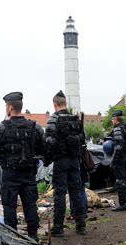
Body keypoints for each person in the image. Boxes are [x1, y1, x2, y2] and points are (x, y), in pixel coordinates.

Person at [0, 92, 45, 241]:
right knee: (30, 205)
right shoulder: (35, 127)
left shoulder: (1, 128)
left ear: (10, 107)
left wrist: (4, 160)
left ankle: (12, 239)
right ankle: (33, 236)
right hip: (28, 173)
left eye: (6, 106)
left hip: (10, 173)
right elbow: (44, 148)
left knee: (9, 206)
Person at [45, 90, 87, 236]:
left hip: (60, 161)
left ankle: (58, 228)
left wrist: (47, 159)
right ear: (65, 103)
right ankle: (81, 225)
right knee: (76, 192)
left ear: (55, 104)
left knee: (60, 194)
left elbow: (49, 143)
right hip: (75, 161)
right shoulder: (76, 119)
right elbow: (82, 140)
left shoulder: (53, 119)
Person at [108, 110, 126, 211]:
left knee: (120, 180)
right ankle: (125, 201)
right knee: (125, 180)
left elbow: (118, 147)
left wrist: (113, 160)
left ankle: (122, 204)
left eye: (112, 120)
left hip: (120, 159)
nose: (112, 122)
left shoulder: (117, 129)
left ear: (115, 119)